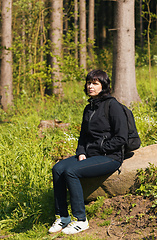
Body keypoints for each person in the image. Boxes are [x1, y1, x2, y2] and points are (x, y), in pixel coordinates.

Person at [49, 69, 128, 235]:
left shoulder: (113, 106)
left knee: (71, 171)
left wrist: (99, 149)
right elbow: (83, 136)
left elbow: (121, 138)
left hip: (111, 157)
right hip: (91, 154)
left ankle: (81, 219)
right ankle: (63, 217)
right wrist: (81, 152)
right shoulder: (89, 108)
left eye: (95, 83)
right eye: (89, 83)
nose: (90, 86)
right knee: (57, 169)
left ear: (103, 86)